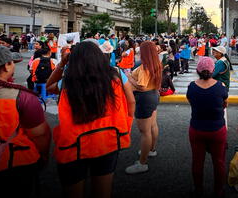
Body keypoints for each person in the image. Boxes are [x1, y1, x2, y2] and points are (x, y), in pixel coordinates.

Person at [46, 42, 135, 198]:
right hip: (108, 139)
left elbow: (49, 87)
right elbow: (131, 101)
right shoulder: (116, 74)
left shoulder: (68, 81)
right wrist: (127, 123)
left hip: (74, 145)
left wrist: (62, 63)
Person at [0, 45, 51, 197]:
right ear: (6, 66)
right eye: (12, 62)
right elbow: (40, 135)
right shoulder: (21, 96)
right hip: (13, 165)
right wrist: (43, 157)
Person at [187, 56, 228, 198]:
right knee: (219, 162)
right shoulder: (220, 87)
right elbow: (224, 104)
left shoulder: (192, 86)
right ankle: (219, 191)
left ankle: (198, 190)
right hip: (217, 130)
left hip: (197, 129)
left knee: (197, 161)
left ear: (198, 70)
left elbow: (191, 102)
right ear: (212, 70)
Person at [125, 41, 162, 174]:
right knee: (152, 126)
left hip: (144, 98)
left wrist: (129, 77)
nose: (138, 52)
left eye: (140, 51)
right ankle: (151, 150)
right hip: (153, 95)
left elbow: (141, 86)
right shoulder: (155, 64)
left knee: (145, 132)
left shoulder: (144, 68)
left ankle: (142, 163)